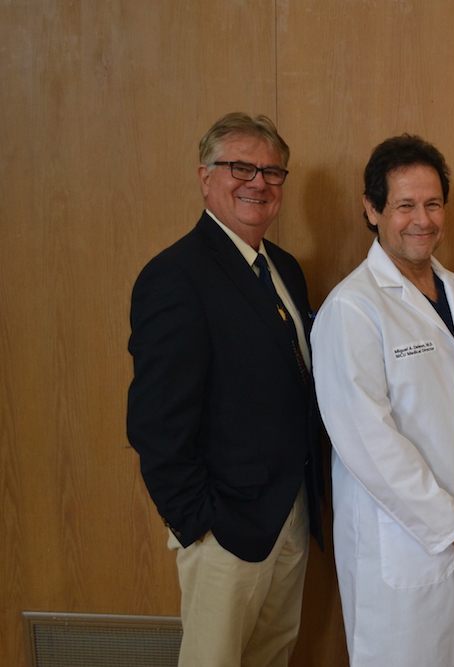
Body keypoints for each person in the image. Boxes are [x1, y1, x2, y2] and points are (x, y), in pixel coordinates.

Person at [127, 112, 325, 667]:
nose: (257, 182)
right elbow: (155, 422)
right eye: (240, 167)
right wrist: (199, 525)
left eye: (271, 171)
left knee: (272, 656)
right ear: (205, 176)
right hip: (224, 530)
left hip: (290, 516)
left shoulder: (284, 268)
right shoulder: (175, 275)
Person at [311, 134, 454, 667]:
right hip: (410, 540)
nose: (421, 219)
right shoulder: (352, 308)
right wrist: (448, 522)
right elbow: (367, 441)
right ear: (372, 209)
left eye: (432, 204)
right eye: (404, 205)